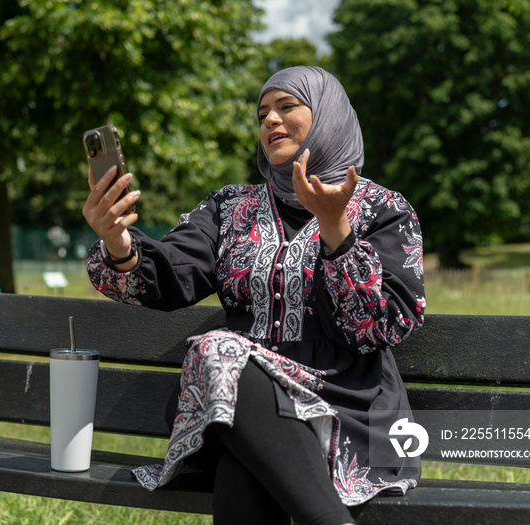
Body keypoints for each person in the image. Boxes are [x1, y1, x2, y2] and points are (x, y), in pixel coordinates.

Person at [83, 66, 426, 525]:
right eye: (263, 112)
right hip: (236, 393)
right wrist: (119, 245)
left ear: (327, 116)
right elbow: (172, 271)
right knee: (227, 372)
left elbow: (381, 326)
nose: (270, 121)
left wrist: (336, 230)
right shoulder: (232, 207)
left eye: (286, 107)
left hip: (347, 407)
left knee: (240, 454)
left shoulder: (383, 210)